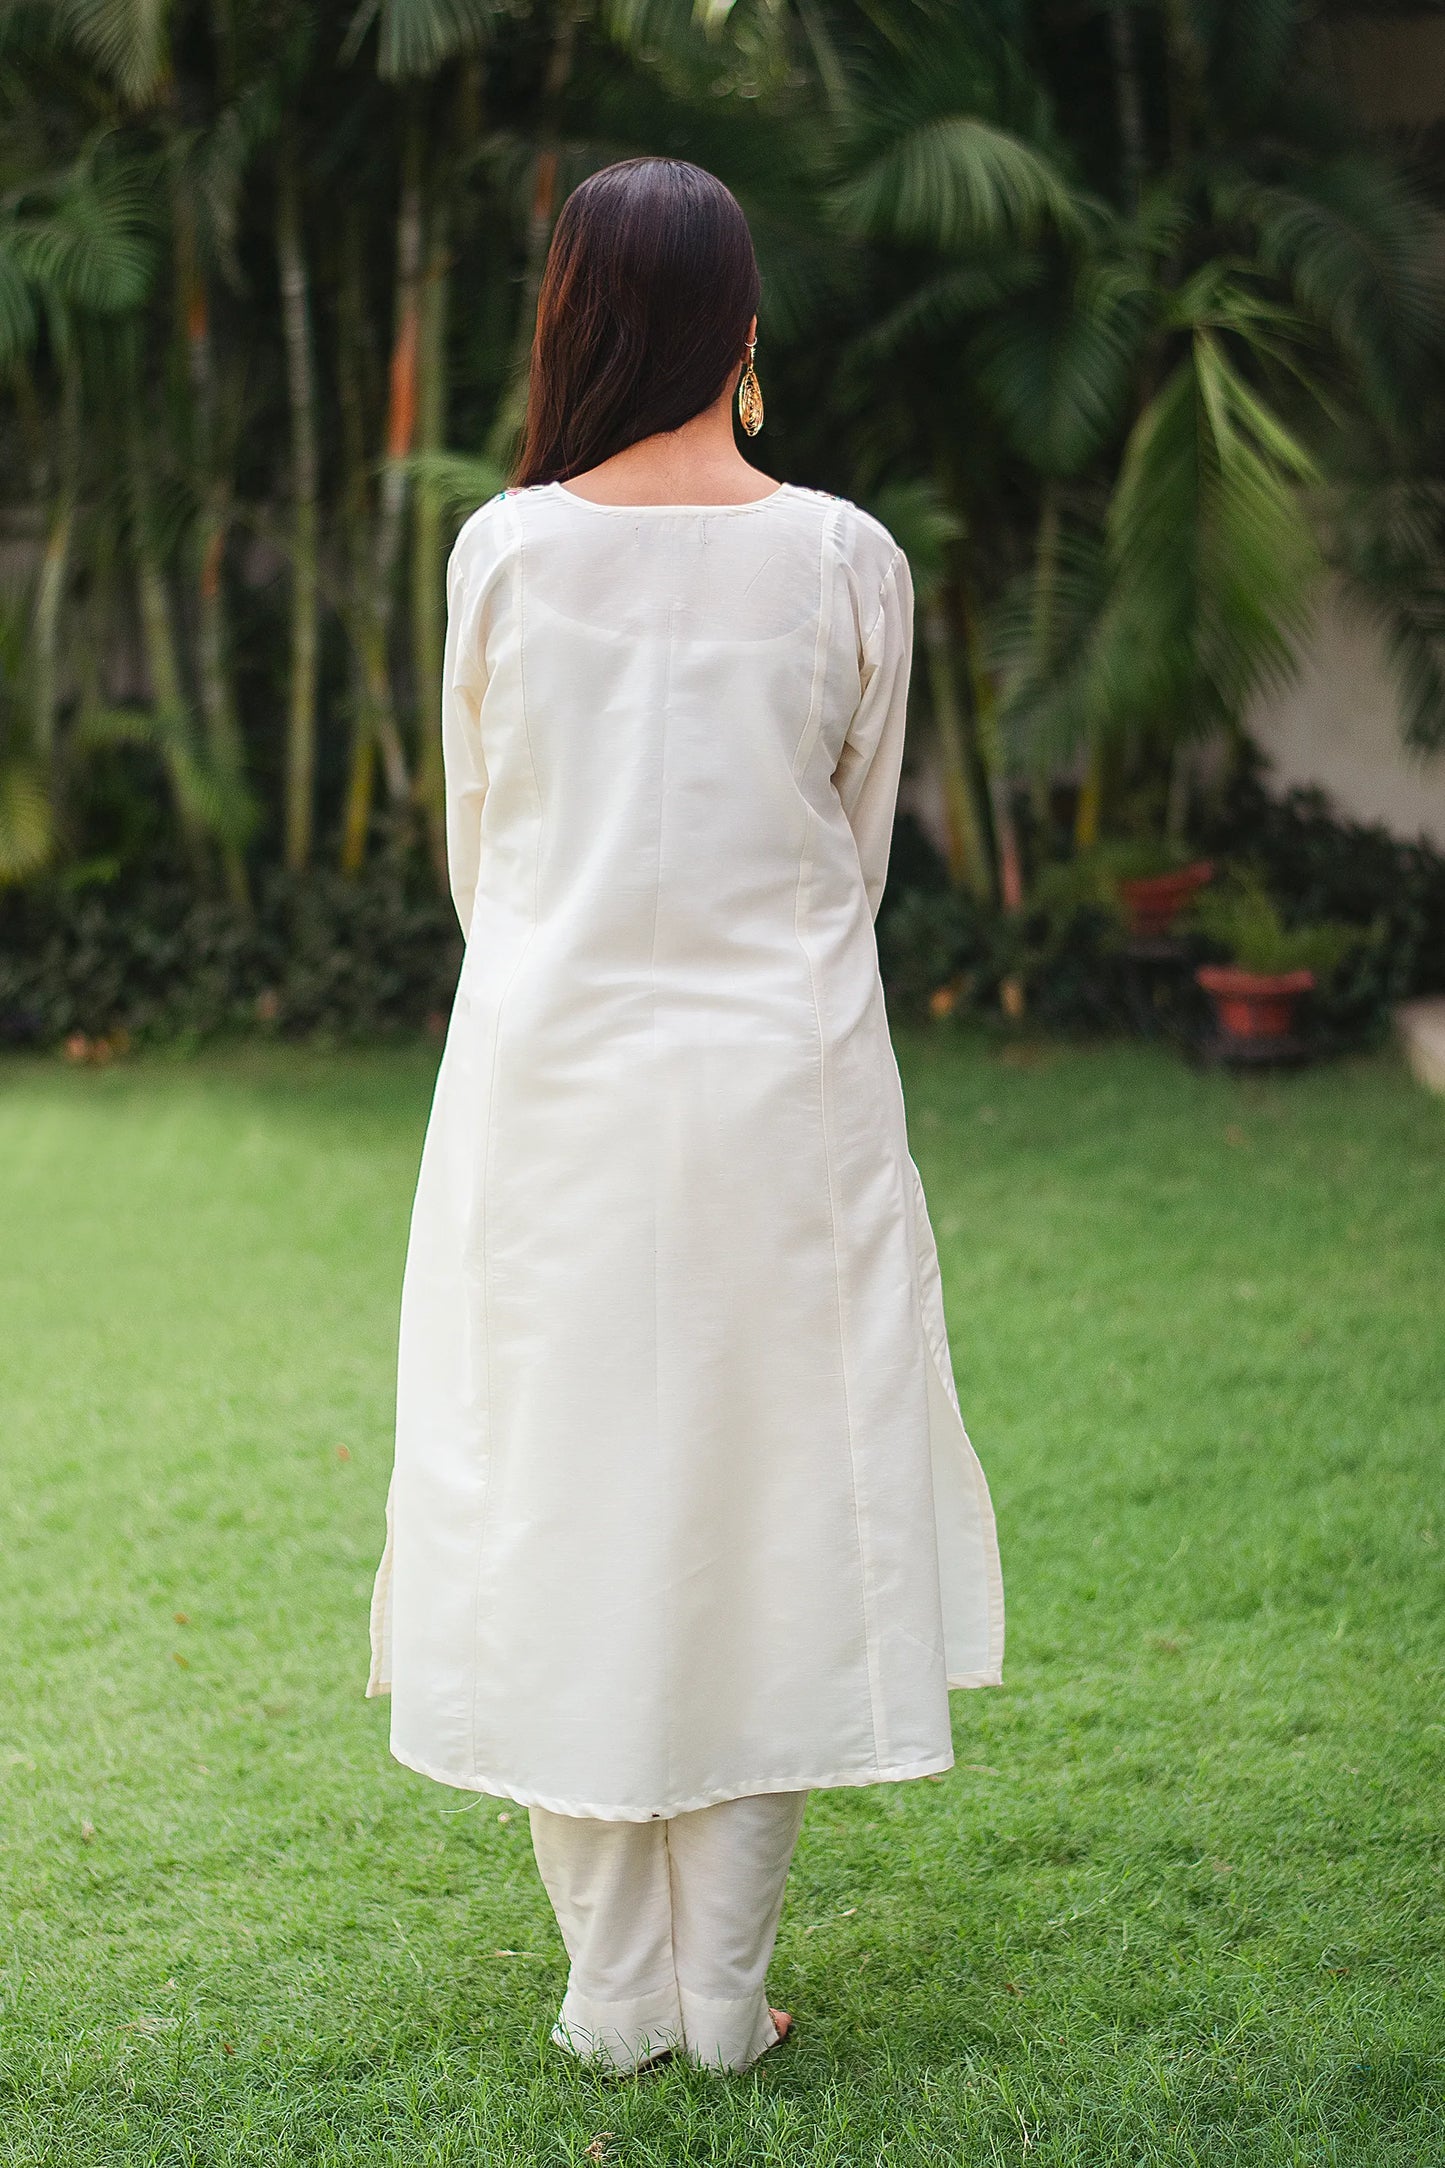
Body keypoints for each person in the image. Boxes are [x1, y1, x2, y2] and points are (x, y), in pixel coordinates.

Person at [368, 156, 1004, 2076]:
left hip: (544, 1098)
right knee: (769, 1510)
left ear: (572, 321)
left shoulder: (502, 552)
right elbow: (855, 848)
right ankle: (716, 1997)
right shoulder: (844, 558)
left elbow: (489, 861)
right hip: (783, 1099)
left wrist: (578, 976)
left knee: (562, 1503)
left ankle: (613, 1989)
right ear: (739, 330)